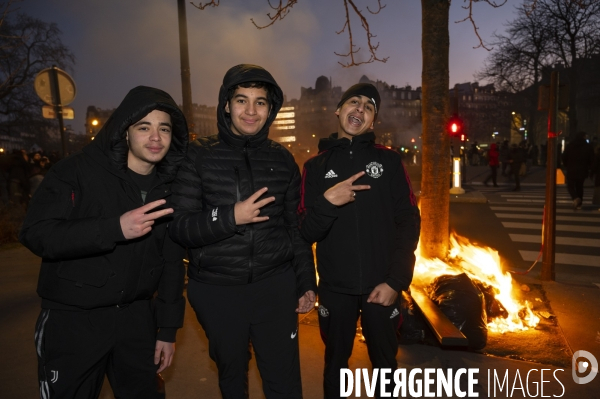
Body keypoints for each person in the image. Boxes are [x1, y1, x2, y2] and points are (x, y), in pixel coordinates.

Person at [19, 86, 189, 398]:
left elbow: (171, 262)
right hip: (74, 320)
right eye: (144, 127)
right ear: (125, 131)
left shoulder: (170, 187)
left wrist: (167, 330)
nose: (156, 137)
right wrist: (114, 228)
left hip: (138, 322)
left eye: (164, 128)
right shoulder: (76, 170)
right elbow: (37, 233)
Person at [169, 64, 316, 399]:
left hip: (274, 287)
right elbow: (180, 228)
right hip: (218, 291)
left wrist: (306, 280)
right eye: (241, 100)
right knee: (233, 379)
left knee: (285, 384)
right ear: (226, 104)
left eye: (260, 102)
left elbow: (294, 228)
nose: (251, 111)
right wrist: (230, 216)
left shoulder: (283, 160)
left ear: (271, 108)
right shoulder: (198, 155)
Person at [298, 83, 421, 398]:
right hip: (335, 289)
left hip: (382, 287)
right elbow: (303, 231)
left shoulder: (390, 162)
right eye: (354, 102)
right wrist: (328, 203)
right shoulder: (315, 167)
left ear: (373, 121)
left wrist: (395, 281)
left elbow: (408, 221)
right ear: (339, 110)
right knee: (335, 364)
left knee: (384, 365)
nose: (360, 109)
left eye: (369, 106)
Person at [562, 131, 594, 209]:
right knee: (579, 186)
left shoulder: (570, 145)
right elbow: (591, 159)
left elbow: (564, 157)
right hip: (583, 169)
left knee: (570, 186)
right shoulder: (588, 147)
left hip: (571, 169)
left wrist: (566, 165)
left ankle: (575, 198)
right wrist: (589, 168)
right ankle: (579, 203)